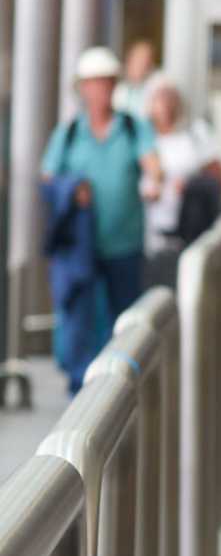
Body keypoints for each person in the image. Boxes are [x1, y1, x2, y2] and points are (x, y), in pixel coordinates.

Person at [41, 45, 164, 384]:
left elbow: (153, 164)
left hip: (123, 244)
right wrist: (73, 189)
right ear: (81, 88)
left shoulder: (131, 127)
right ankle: (81, 385)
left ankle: (121, 388)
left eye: (106, 83)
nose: (100, 91)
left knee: (122, 320)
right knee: (80, 320)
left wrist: (155, 180)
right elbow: (48, 177)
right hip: (81, 249)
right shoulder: (68, 134)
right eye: (93, 83)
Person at [140, 76, 221, 288]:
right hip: (152, 237)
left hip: (191, 234)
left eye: (170, 98)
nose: (165, 105)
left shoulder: (195, 135)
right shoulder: (141, 139)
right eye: (160, 99)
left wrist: (190, 187)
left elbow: (216, 178)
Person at [112, 39, 159, 118]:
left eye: (145, 62)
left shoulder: (158, 88)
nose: (141, 66)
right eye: (137, 61)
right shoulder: (119, 90)